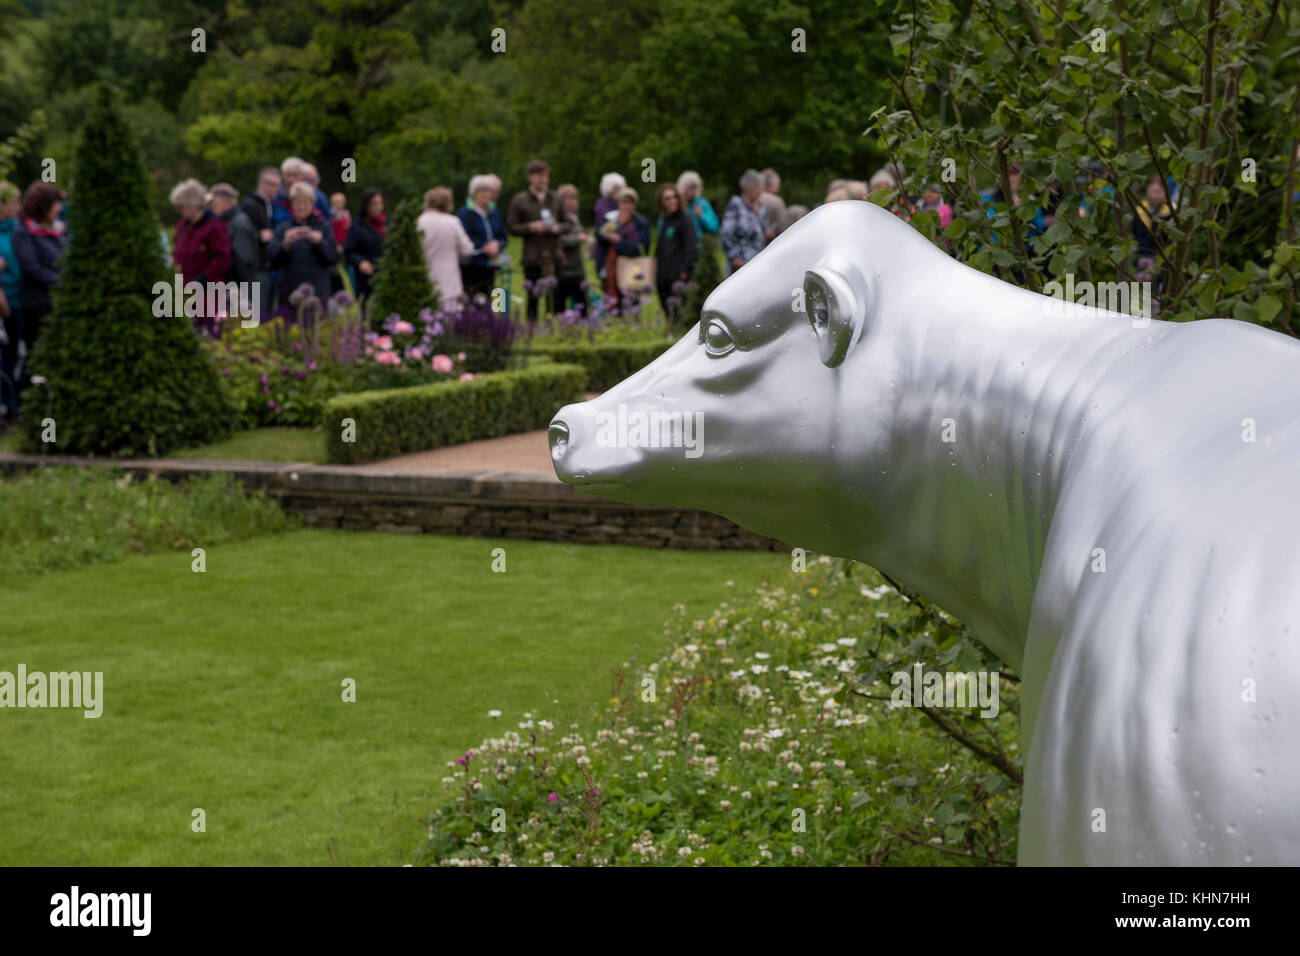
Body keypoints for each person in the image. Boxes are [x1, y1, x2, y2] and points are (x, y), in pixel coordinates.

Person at [10, 181, 66, 406]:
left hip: (59, 302)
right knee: (36, 355)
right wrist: (62, 283)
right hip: (38, 304)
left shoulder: (58, 230)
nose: (59, 208)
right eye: (55, 204)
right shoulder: (24, 232)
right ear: (43, 206)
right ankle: (27, 404)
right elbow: (33, 269)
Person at [268, 180, 338, 318]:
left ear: (312, 204)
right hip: (289, 290)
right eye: (297, 202)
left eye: (305, 202)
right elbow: (272, 261)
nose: (301, 207)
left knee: (318, 332)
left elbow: (333, 258)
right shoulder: (283, 228)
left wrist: (320, 242)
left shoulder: (324, 227)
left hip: (318, 290)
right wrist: (285, 244)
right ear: (291, 205)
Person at [171, 178, 231, 336]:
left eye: (182, 206)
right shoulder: (183, 226)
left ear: (194, 204)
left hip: (207, 291)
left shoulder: (214, 227)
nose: (179, 210)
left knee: (207, 333)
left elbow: (222, 258)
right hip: (184, 290)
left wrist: (204, 278)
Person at [507, 159, 562, 320]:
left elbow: (567, 224)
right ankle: (531, 328)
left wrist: (556, 228)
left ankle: (552, 328)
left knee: (553, 296)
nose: (542, 179)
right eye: (538, 176)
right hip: (532, 255)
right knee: (533, 295)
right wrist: (531, 227)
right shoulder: (520, 200)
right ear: (530, 177)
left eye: (545, 175)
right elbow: (512, 227)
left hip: (553, 255)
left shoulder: (556, 199)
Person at [417, 187, 475, 310]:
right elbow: (467, 249)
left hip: (424, 275)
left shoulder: (419, 222)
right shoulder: (452, 222)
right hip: (449, 278)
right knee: (450, 316)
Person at [599, 186, 650, 313]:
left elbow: (642, 248)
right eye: (623, 202)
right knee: (613, 305)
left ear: (634, 204)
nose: (626, 206)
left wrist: (620, 241)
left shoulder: (641, 222)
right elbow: (601, 237)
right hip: (612, 268)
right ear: (618, 203)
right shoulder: (611, 219)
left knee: (632, 305)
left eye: (630, 202)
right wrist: (617, 225)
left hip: (632, 268)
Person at [457, 174, 507, 299]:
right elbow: (463, 237)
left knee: (490, 298)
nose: (487, 195)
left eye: (489, 191)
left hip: (491, 265)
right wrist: (482, 246)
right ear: (474, 193)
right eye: (483, 191)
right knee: (472, 299)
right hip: (472, 265)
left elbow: (502, 235)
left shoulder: (494, 212)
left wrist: (497, 244)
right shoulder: (465, 213)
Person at [654, 183, 697, 325]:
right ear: (662, 202)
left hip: (679, 275)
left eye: (674, 197)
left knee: (681, 312)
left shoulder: (685, 219)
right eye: (667, 198)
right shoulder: (664, 220)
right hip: (663, 274)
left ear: (679, 199)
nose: (671, 201)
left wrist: (686, 270)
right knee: (668, 312)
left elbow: (691, 246)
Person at [241, 167, 280, 313]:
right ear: (262, 184)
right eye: (273, 184)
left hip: (267, 265)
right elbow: (244, 235)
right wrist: (260, 236)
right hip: (255, 269)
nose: (277, 189)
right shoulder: (250, 205)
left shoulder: (269, 204)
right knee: (258, 312)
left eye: (278, 184)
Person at [0, 181, 23, 421]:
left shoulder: (18, 229)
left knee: (13, 354)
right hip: (2, 299)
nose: (18, 206)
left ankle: (10, 405)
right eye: (13, 202)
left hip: (18, 300)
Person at [208, 184, 260, 288]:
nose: (211, 206)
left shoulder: (239, 223)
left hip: (238, 288)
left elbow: (244, 261)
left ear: (227, 201)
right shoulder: (226, 221)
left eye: (214, 203)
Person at [720, 169, 770, 275]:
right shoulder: (736, 206)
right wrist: (734, 257)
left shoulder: (760, 207)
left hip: (759, 261)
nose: (760, 190)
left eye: (760, 187)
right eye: (757, 187)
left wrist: (768, 232)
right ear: (748, 188)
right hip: (741, 263)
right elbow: (726, 233)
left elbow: (764, 229)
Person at [343, 187, 386, 304]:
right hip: (367, 279)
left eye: (380, 203)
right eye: (374, 204)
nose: (378, 207)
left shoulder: (387, 223)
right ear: (366, 205)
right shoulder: (358, 226)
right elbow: (349, 252)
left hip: (387, 276)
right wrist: (361, 261)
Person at [1132, 173, 1173, 287]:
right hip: (1142, 255)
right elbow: (1135, 232)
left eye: (1157, 192)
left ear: (1165, 194)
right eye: (1151, 191)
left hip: (1162, 257)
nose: (1154, 195)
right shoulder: (1140, 210)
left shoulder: (1169, 213)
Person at [555, 183, 589, 315]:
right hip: (563, 268)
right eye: (566, 198)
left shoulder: (576, 217)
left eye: (573, 198)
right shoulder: (557, 219)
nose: (570, 202)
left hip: (577, 268)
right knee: (560, 307)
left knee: (583, 305)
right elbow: (557, 240)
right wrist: (578, 239)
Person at [271, 156, 330, 228]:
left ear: (303, 176)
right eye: (288, 175)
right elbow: (271, 222)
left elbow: (327, 222)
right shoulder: (276, 196)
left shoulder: (317, 196)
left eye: (295, 175)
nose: (291, 179)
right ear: (283, 175)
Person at [593, 172, 626, 281]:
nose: (618, 191)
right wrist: (617, 223)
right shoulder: (603, 205)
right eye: (616, 188)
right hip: (606, 252)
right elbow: (602, 231)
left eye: (620, 188)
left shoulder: (622, 203)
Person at [676, 171, 718, 237]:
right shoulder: (676, 204)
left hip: (698, 244)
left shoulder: (702, 204)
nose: (691, 191)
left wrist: (701, 215)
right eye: (688, 187)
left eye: (694, 188)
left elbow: (714, 228)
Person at [758, 168, 785, 239]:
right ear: (773, 184)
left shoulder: (751, 198)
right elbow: (782, 225)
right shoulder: (777, 201)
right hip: (771, 243)